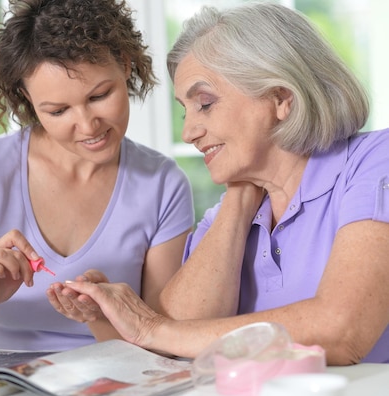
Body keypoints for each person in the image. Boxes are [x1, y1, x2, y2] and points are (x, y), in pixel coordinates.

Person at [51, 3, 389, 365]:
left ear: (280, 98)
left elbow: (341, 332)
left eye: (205, 103)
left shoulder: (375, 161)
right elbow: (175, 346)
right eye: (185, 110)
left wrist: (149, 326)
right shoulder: (225, 218)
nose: (188, 132)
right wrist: (241, 197)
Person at [0, 0, 194, 352]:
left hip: (114, 394)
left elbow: (162, 345)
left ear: (126, 64)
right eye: (58, 110)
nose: (88, 125)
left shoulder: (162, 184)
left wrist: (101, 317)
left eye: (100, 95)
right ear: (27, 97)